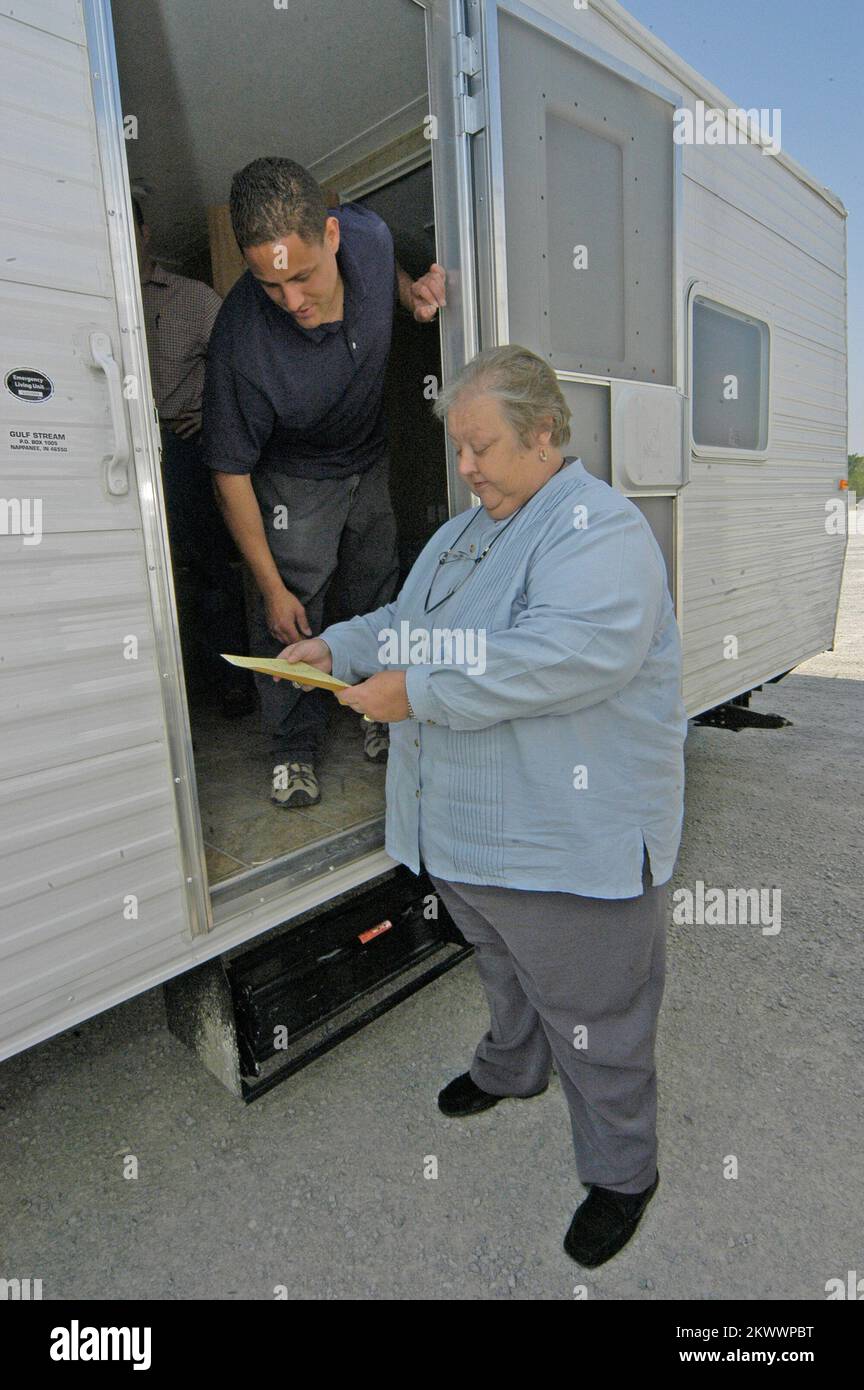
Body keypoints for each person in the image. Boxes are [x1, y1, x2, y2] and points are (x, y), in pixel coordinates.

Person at [277, 344, 687, 1268]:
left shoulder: (596, 528)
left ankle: (623, 1170)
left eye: (482, 447)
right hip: (469, 843)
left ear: (543, 436)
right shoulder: (470, 529)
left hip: (565, 848)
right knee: (503, 968)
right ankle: (514, 1068)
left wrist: (416, 691)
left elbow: (566, 655)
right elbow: (406, 623)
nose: (465, 467)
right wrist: (339, 650)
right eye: (457, 447)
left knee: (596, 1013)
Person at [201, 157, 446, 808]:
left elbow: (387, 272)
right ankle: (292, 747)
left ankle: (375, 715)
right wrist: (273, 585)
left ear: (333, 237)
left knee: (377, 588)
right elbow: (229, 474)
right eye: (271, 285)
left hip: (369, 456)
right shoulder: (240, 340)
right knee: (289, 621)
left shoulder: (368, 237)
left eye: (303, 277)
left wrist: (410, 296)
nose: (292, 301)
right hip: (293, 479)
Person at [134, 198, 254, 717]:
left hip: (180, 450)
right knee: (139, 576)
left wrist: (209, 414)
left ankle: (229, 682)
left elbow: (242, 362)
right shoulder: (93, 298)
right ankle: (160, 693)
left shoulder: (191, 297)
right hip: (118, 455)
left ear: (142, 231)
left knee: (205, 566)